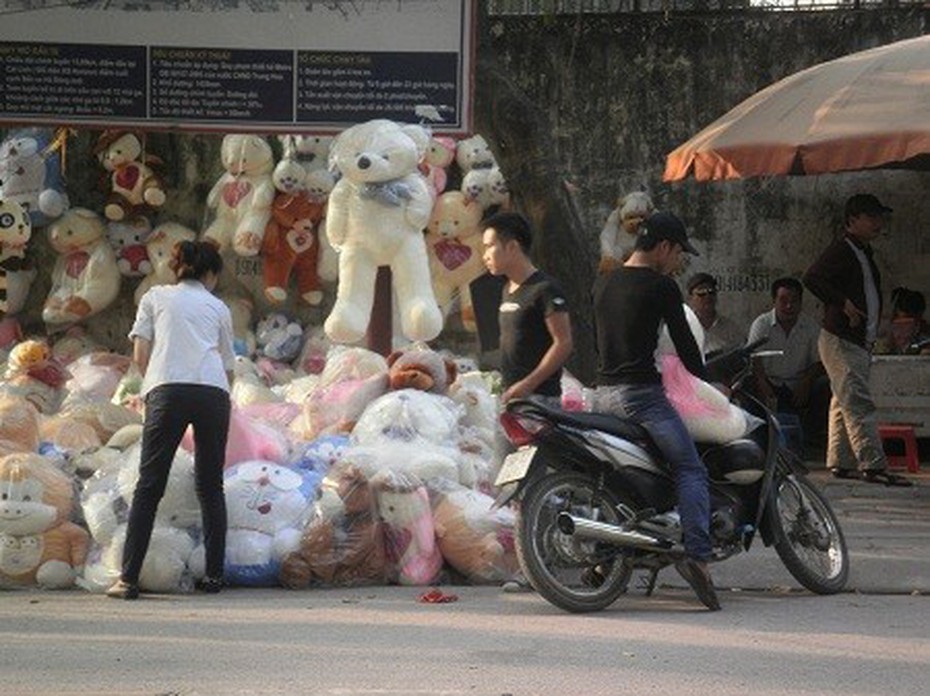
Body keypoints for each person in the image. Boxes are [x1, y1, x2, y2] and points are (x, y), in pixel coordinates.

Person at [592, 211, 720, 611]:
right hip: (641, 397)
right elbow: (688, 353)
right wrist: (717, 374)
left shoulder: (604, 282)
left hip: (602, 396)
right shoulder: (662, 286)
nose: (679, 261)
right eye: (679, 252)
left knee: (616, 480)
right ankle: (698, 555)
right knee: (690, 468)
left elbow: (601, 347)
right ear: (663, 247)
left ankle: (604, 558)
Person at [107, 240, 237, 599]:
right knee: (211, 486)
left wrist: (154, 386)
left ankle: (128, 579)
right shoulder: (218, 307)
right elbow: (229, 365)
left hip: (167, 389)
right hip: (213, 392)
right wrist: (224, 396)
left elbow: (140, 351)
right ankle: (213, 576)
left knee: (149, 485)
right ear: (210, 273)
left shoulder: (154, 297)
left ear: (176, 268)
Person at [803, 193, 911, 487]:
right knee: (858, 402)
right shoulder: (842, 249)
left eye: (879, 217)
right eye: (871, 217)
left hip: (855, 339)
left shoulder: (861, 251)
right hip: (841, 338)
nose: (878, 223)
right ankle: (873, 464)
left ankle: (840, 461)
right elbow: (812, 278)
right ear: (853, 220)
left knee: (843, 401)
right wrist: (843, 303)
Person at [481, 211, 573, 408]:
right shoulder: (507, 288)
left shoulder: (545, 289)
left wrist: (527, 384)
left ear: (512, 246)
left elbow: (563, 343)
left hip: (540, 400)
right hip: (508, 396)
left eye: (489, 247)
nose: (485, 255)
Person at [746, 277, 829, 455]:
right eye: (783, 301)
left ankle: (809, 441)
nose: (789, 306)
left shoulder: (810, 326)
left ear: (800, 303)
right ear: (774, 301)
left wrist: (806, 382)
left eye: (794, 301)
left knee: (825, 385)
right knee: (745, 385)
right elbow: (754, 359)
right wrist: (762, 384)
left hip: (798, 385)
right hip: (770, 383)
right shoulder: (762, 324)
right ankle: (759, 441)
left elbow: (819, 361)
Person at [686, 273, 745, 356]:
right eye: (701, 293)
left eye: (711, 292)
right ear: (690, 298)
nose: (707, 297)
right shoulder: (683, 328)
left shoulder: (731, 329)